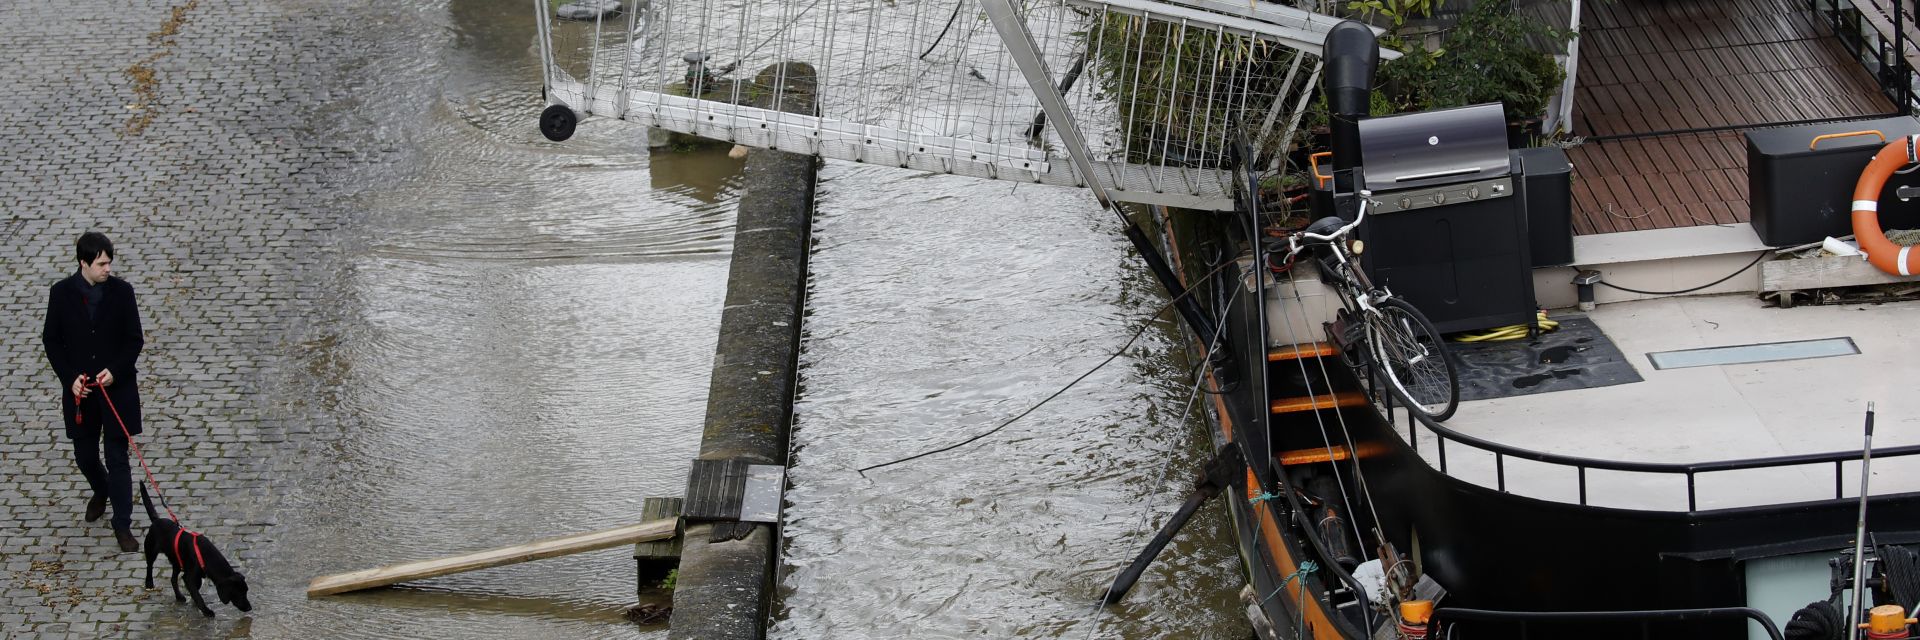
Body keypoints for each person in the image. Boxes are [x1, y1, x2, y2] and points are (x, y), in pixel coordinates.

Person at [43, 231, 145, 552]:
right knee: (85, 456)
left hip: (116, 390)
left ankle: (122, 524)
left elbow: (134, 340)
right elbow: (52, 341)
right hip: (82, 393)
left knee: (117, 458)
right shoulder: (61, 293)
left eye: (109, 262)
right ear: (83, 263)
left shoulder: (123, 292)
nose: (108, 269)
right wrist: (69, 378)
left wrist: (115, 371)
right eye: (101, 264)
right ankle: (101, 489)